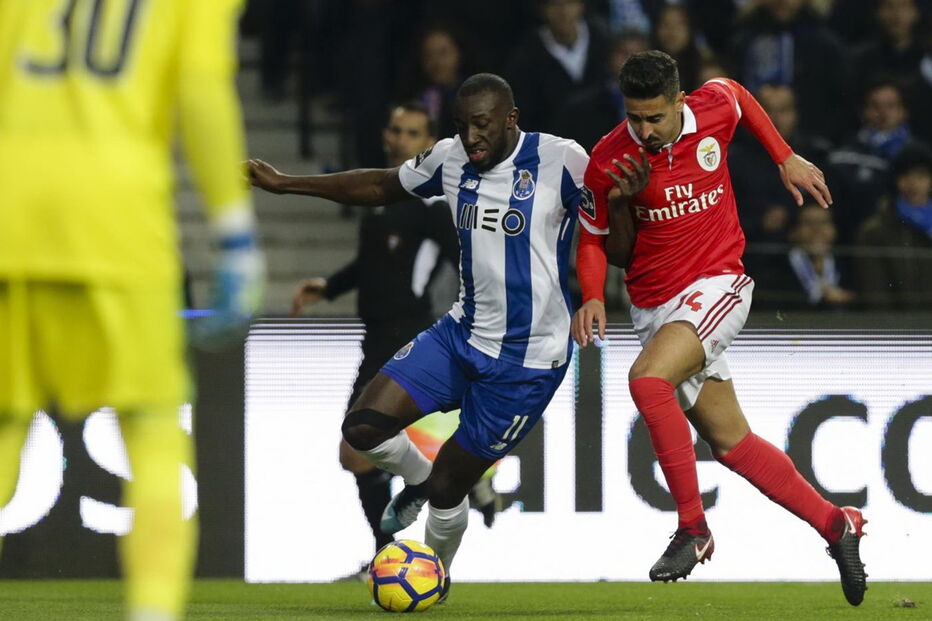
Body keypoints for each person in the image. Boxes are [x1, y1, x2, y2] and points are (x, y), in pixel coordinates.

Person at [248, 73, 587, 602]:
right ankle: (419, 479)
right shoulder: (450, 158)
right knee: (362, 429)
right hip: (460, 334)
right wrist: (287, 183)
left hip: (527, 363)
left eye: (481, 125)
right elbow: (379, 185)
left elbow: (609, 227)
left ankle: (435, 578)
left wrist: (597, 292)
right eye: (461, 125)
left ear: (510, 119)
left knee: (453, 486)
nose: (470, 137)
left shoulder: (562, 160)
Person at [0, 2, 264, 620]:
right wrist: (233, 233)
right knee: (150, 429)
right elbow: (200, 90)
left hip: (10, 208)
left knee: (4, 423)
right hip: (119, 221)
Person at [573, 51, 867, 606]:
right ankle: (836, 524)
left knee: (647, 381)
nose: (644, 130)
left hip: (717, 284)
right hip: (655, 308)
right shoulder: (608, 159)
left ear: (679, 102)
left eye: (655, 118)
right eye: (634, 118)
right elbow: (594, 241)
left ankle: (693, 528)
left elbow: (736, 92)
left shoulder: (711, 109)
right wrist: (592, 292)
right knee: (731, 444)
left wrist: (784, 155)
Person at [285, 102, 492, 579]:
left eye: (412, 132)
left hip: (406, 336)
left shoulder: (434, 206)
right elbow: (371, 265)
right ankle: (450, 487)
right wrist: (329, 287)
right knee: (364, 451)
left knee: (356, 449)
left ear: (430, 144)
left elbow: (472, 261)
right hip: (375, 338)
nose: (401, 139)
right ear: (385, 134)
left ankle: (391, 550)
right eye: (396, 130)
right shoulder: (382, 197)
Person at [505, 0, 611, 133]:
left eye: (570, 3)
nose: (563, 11)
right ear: (542, 10)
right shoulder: (527, 56)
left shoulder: (605, 41)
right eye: (555, 4)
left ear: (581, 5)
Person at [855, 143, 932, 309]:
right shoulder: (874, 231)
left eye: (921, 175)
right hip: (900, 323)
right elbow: (876, 297)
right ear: (896, 180)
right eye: (905, 175)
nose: (912, 183)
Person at [753, 203, 856, 311]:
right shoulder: (773, 270)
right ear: (793, 233)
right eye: (808, 223)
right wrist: (822, 300)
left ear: (834, 231)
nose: (817, 230)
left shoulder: (849, 265)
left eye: (824, 222)